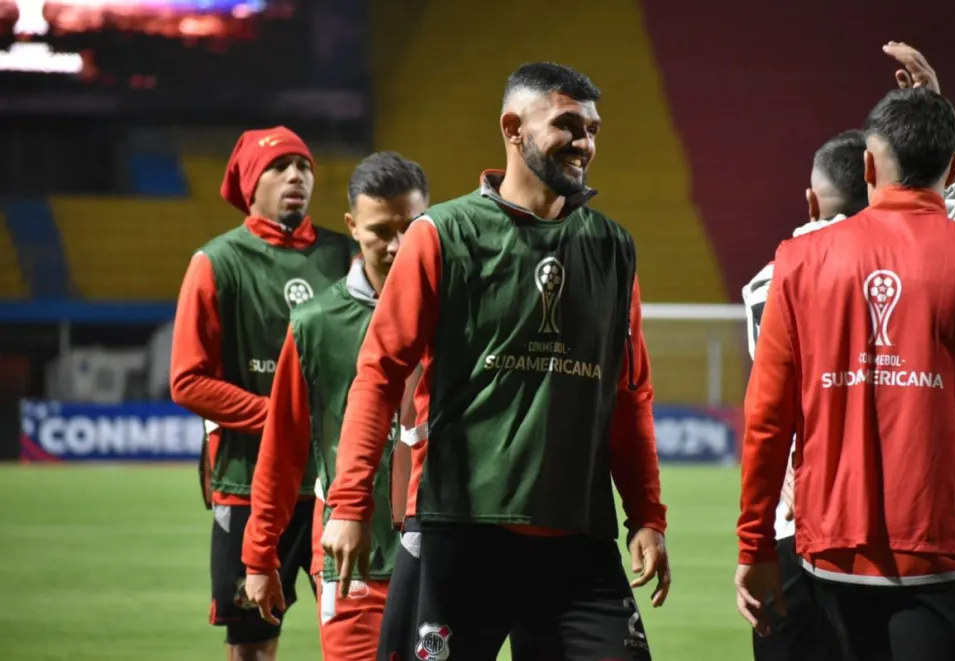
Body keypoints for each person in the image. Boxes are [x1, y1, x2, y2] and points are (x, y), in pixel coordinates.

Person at [322, 61, 671, 661]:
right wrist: (350, 504)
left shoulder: (613, 247)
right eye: (567, 125)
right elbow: (378, 375)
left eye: (592, 128)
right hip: (461, 529)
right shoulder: (442, 234)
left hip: (577, 539)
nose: (585, 142)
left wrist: (647, 515)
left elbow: (629, 394)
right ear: (513, 128)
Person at [740, 41, 955, 661]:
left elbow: (767, 420)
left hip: (827, 552)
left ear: (870, 169)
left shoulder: (796, 262)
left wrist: (753, 547)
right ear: (953, 171)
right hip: (951, 552)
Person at [170, 126, 355, 661]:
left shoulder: (345, 253)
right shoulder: (217, 262)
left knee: (355, 636)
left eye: (305, 166)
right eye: (279, 167)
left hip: (333, 488)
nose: (296, 175)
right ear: (251, 182)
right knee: (251, 647)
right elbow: (187, 380)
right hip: (248, 484)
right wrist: (284, 417)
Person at [239, 151, 429, 661]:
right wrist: (260, 556)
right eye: (380, 230)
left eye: (411, 228)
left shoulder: (460, 311)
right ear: (351, 226)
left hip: (442, 556)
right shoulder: (316, 323)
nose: (396, 245)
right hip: (352, 561)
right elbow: (282, 449)